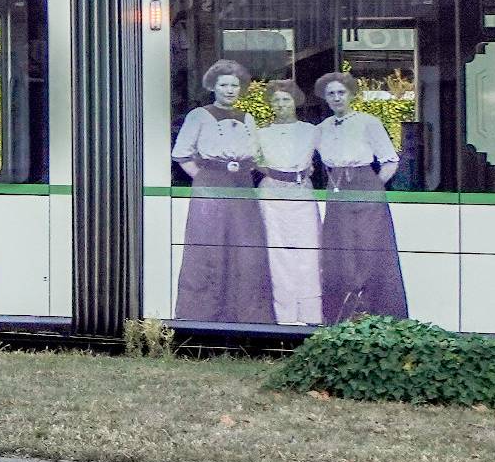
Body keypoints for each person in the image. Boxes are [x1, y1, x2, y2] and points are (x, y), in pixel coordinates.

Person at [171, 59, 272, 324]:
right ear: (213, 87)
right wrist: (205, 179)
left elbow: (257, 155)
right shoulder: (199, 116)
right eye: (224, 84)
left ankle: (245, 314)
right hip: (210, 185)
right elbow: (182, 156)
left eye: (234, 85)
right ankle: (202, 314)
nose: (229, 90)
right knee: (209, 246)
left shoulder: (248, 118)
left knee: (245, 247)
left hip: (242, 186)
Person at [313, 71, 409, 321]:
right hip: (336, 190)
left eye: (341, 92)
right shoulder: (321, 129)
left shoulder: (369, 123)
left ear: (351, 94)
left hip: (366, 186)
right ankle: (342, 315)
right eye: (331, 94)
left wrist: (373, 188)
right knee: (340, 251)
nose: (336, 98)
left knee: (369, 249)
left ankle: (378, 314)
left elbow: (390, 162)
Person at [253, 80, 324, 326]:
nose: (281, 104)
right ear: (270, 104)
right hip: (273, 195)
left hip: (302, 193)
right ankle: (285, 316)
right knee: (278, 253)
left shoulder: (312, 131)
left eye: (286, 99)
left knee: (308, 250)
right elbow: (253, 161)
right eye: (276, 100)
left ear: (295, 101)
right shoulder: (260, 134)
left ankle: (311, 314)